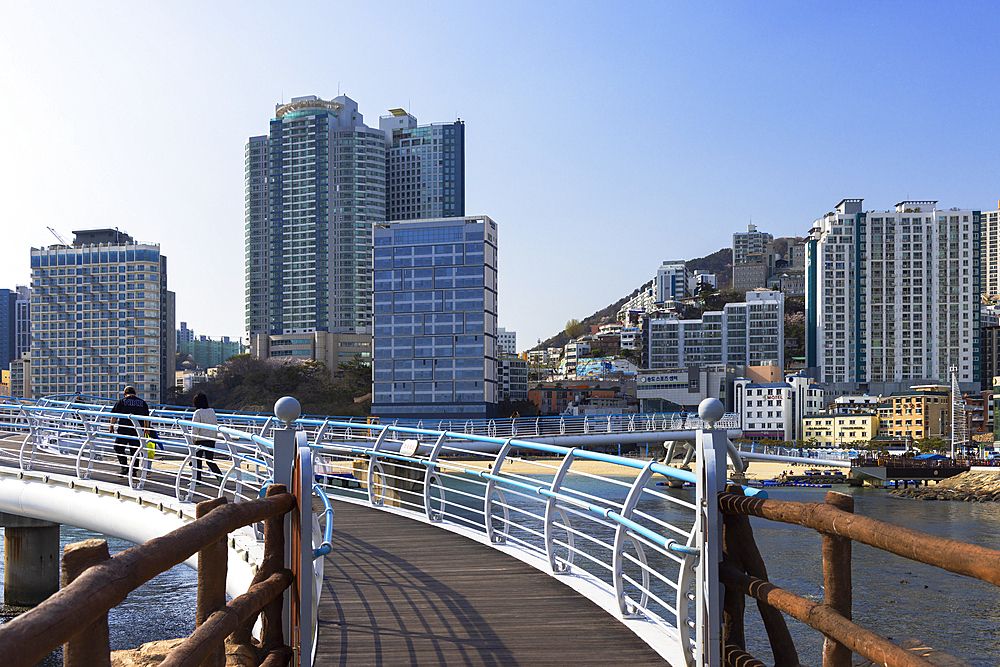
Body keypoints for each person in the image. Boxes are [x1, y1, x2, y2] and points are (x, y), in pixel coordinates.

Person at [110, 385, 149, 476]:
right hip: (137, 430)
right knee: (135, 450)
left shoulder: (121, 402)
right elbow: (146, 418)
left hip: (124, 429)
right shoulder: (142, 402)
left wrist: (111, 426)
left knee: (118, 447)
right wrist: (146, 428)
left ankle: (124, 467)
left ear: (125, 393)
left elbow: (114, 416)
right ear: (135, 394)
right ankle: (134, 470)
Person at [192, 392, 222, 482]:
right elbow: (215, 425)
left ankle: (197, 481)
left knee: (197, 461)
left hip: (200, 439)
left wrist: (192, 440)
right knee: (209, 460)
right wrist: (215, 438)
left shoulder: (198, 412)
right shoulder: (212, 411)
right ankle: (220, 476)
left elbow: (195, 428)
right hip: (211, 439)